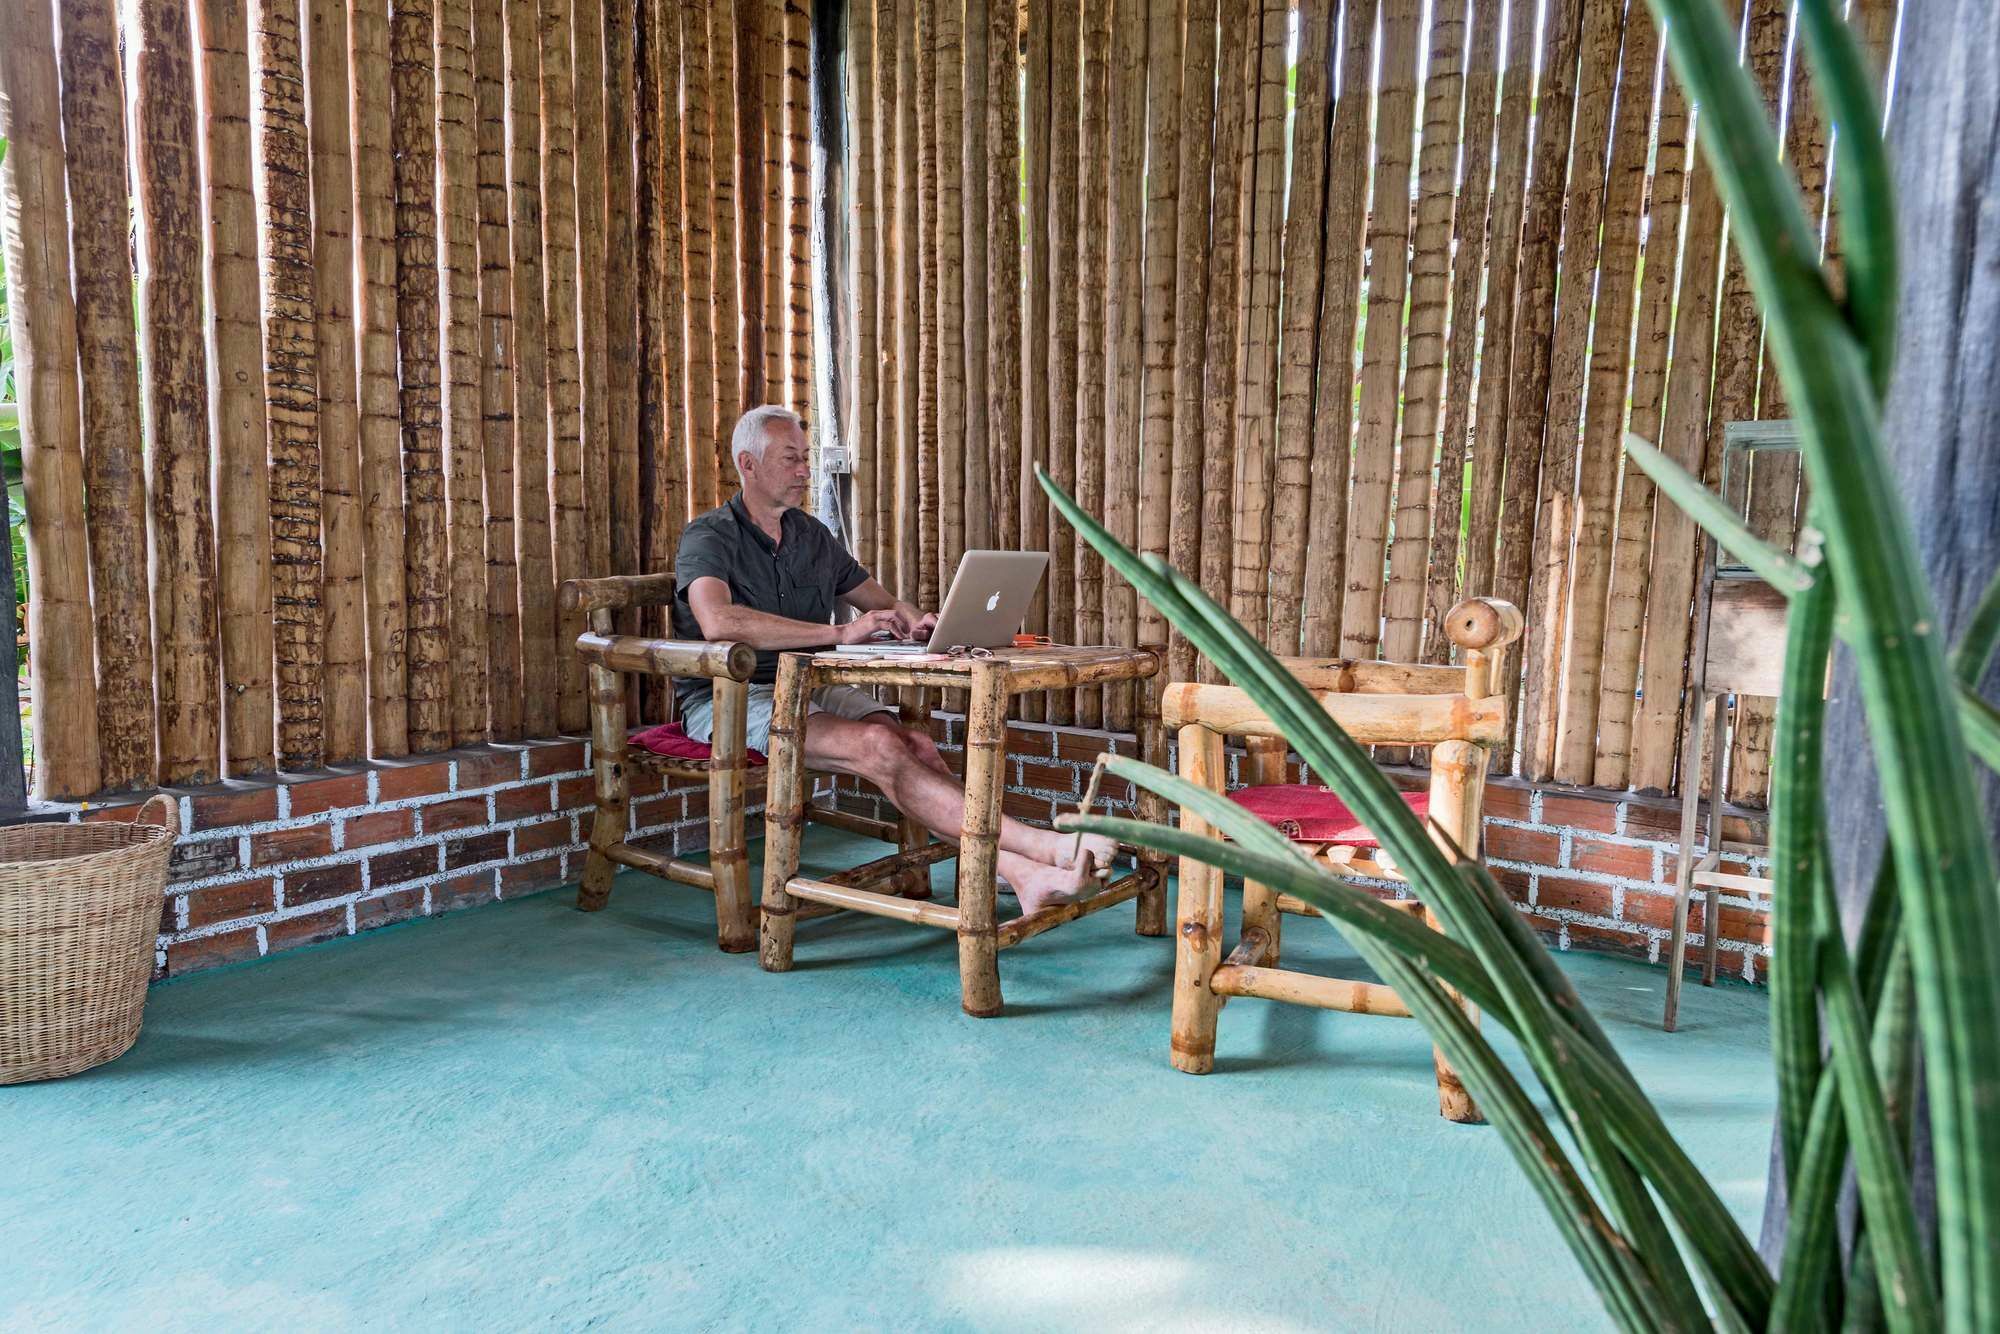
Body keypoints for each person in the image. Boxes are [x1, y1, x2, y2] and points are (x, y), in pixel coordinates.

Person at [671, 406, 1112, 914]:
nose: (803, 471)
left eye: (805, 459)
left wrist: (920, 620)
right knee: (880, 743)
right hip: (733, 697)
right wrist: (839, 632)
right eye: (790, 459)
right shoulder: (708, 535)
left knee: (916, 743)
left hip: (810, 684)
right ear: (747, 465)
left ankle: (1021, 873)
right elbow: (718, 621)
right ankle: (1045, 848)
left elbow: (879, 601)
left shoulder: (809, 535)